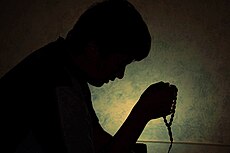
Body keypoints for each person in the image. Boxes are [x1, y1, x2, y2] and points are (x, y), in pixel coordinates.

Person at [1, 0, 177, 153]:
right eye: (120, 63)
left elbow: (97, 138)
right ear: (93, 49)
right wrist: (142, 112)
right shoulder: (58, 85)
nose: (120, 74)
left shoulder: (63, 66)